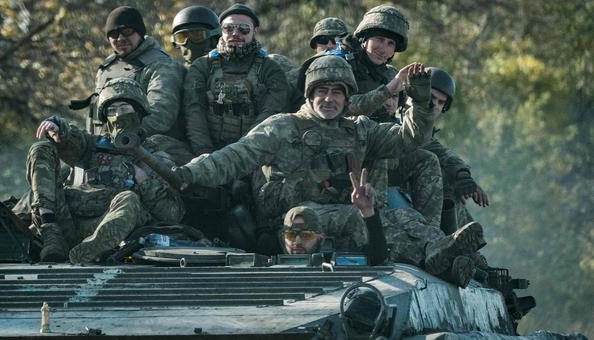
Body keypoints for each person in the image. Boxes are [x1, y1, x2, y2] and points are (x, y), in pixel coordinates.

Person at [171, 55, 435, 252]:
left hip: (344, 215)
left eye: (336, 93)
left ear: (347, 98)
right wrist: (190, 172)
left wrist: (421, 103)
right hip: (294, 224)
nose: (329, 99)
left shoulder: (360, 129)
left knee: (405, 216)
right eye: (322, 91)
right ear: (310, 95)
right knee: (356, 218)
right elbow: (234, 157)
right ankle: (425, 254)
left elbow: (410, 139)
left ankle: (445, 253)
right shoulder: (282, 127)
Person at [14, 78, 184, 264]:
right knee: (41, 148)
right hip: (66, 221)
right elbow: (73, 140)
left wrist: (146, 183)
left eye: (124, 108)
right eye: (111, 110)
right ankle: (50, 233)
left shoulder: (154, 157)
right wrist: (59, 130)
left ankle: (92, 249)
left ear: (139, 112)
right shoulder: (91, 145)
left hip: (107, 226)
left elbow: (172, 214)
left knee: (129, 198)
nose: (118, 115)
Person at [183, 3, 289, 155]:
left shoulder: (270, 69)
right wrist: (204, 152)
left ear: (255, 31)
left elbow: (271, 114)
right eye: (229, 28)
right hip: (207, 151)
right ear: (221, 30)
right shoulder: (202, 66)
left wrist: (243, 152)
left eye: (243, 29)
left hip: (254, 151)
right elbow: (194, 112)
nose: (235, 33)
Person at [71, 6, 185, 143]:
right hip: (106, 146)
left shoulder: (161, 66)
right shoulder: (107, 67)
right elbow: (96, 118)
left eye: (127, 32)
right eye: (113, 34)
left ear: (140, 33)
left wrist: (120, 137)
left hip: (152, 149)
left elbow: (160, 117)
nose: (120, 38)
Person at [422, 67, 489, 239]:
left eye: (440, 102)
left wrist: (463, 175)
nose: (434, 106)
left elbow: (441, 151)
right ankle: (448, 243)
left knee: (455, 186)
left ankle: (464, 248)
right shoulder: (397, 119)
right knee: (443, 178)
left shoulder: (424, 132)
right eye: (431, 98)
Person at [279, 168, 388, 265]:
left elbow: (377, 257)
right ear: (283, 238)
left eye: (306, 235)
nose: (297, 242)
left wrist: (367, 211)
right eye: (291, 235)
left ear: (320, 238)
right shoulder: (271, 260)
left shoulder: (332, 261)